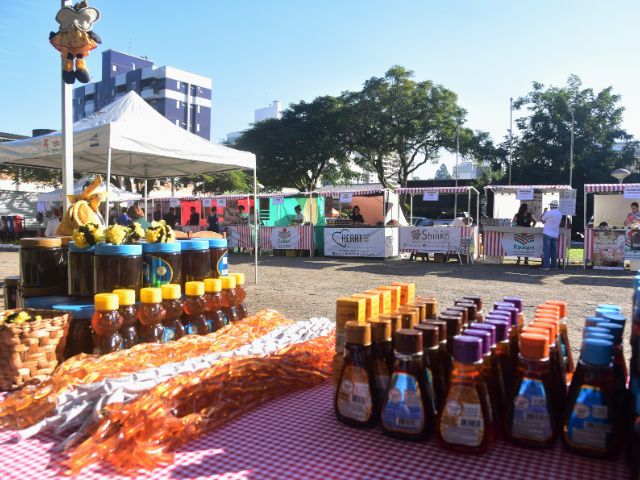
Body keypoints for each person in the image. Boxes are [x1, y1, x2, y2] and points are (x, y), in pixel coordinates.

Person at [540, 200, 563, 271]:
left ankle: (546, 266)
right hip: (555, 233)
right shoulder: (560, 213)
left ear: (551, 206)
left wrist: (544, 211)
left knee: (546, 250)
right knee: (554, 251)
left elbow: (542, 219)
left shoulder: (548, 213)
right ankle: (554, 266)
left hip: (547, 233)